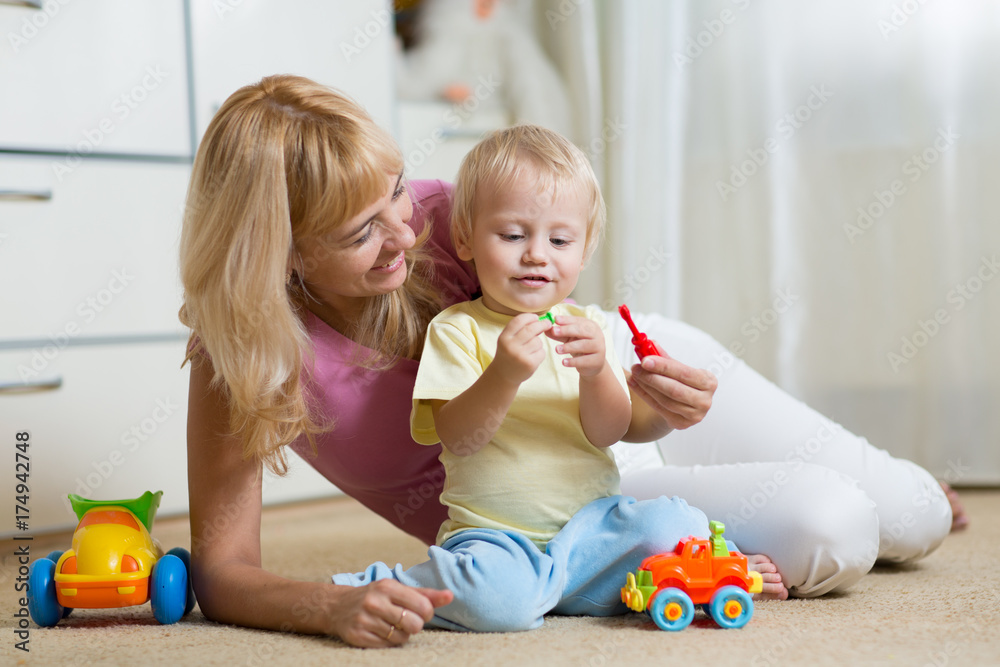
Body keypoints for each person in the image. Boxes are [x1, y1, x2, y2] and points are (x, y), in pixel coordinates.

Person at [179, 74, 957, 649]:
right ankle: (863, 492)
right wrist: (327, 606)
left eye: (393, 193)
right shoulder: (246, 360)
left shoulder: (447, 215)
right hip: (549, 516)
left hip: (616, 395)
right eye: (360, 233)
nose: (406, 233)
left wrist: (653, 394)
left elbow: (565, 283)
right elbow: (224, 571)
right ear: (282, 257)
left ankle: (910, 487)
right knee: (836, 526)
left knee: (911, 514)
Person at [330, 124, 715, 632]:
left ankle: (559, 586)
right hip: (495, 537)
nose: (536, 254)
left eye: (559, 240)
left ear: (584, 250)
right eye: (513, 235)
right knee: (496, 604)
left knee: (678, 525)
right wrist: (503, 375)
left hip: (591, 530)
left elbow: (607, 432)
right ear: (465, 239)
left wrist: (599, 372)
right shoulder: (457, 329)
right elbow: (459, 437)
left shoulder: (588, 329)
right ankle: (381, 584)